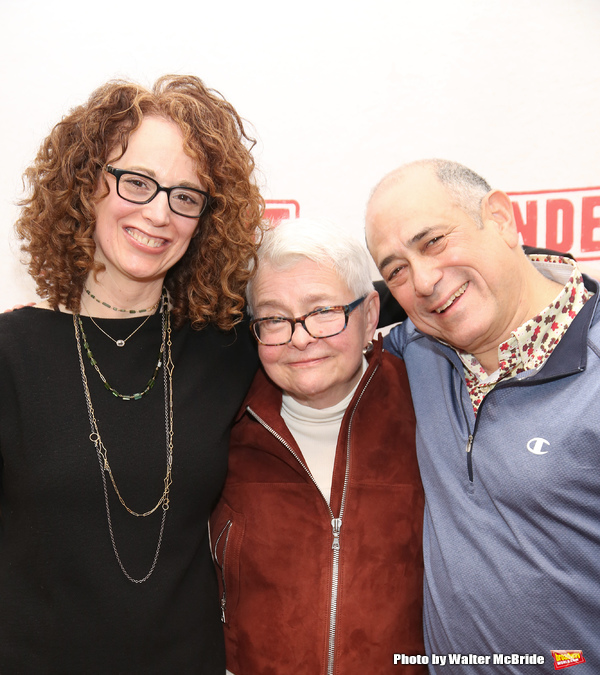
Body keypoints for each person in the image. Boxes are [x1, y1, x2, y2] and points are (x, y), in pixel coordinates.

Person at [0, 75, 263, 674]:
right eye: (137, 182)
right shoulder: (10, 355)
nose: (158, 213)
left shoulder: (227, 349)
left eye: (186, 196)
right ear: (87, 183)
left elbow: (340, 313)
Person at [365, 159, 600, 673]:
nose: (423, 281)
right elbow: (327, 319)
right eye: (396, 270)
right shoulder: (419, 350)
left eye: (433, 241)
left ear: (500, 219)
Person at [210, 218, 426, 675]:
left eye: (324, 310)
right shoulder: (220, 425)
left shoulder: (431, 408)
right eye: (273, 318)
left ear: (369, 314)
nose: (301, 337)